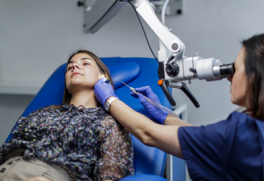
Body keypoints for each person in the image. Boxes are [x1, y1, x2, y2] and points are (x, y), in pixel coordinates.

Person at [94, 34, 264, 181]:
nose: (229, 77)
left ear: (256, 75)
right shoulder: (251, 132)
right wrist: (165, 117)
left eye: (235, 69)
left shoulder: (243, 133)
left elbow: (148, 134)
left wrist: (109, 99)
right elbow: (206, 139)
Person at [0, 50, 134, 181]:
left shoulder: (108, 122)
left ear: (102, 77)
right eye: (70, 66)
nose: (74, 66)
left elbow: (110, 176)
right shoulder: (42, 113)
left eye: (85, 63)